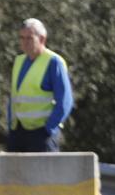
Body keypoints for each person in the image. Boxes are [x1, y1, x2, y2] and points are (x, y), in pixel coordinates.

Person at [7, 18, 73, 152]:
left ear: (42, 39)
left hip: (41, 134)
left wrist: (49, 129)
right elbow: (15, 96)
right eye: (22, 38)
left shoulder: (54, 62)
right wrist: (10, 126)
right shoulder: (19, 61)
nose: (24, 42)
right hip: (18, 132)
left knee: (44, 173)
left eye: (29, 38)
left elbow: (65, 101)